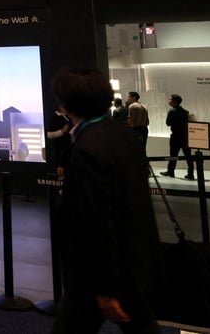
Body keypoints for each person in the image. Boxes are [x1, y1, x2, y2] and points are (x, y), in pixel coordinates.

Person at [51, 67, 160, 333]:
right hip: (133, 264)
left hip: (98, 275)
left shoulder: (88, 148)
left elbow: (95, 221)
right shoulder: (122, 135)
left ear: (65, 105)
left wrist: (105, 287)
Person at [160, 94, 194, 180]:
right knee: (188, 156)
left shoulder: (172, 111)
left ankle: (171, 171)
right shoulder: (185, 112)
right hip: (185, 137)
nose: (169, 101)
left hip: (175, 136)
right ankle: (190, 173)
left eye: (170, 99)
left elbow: (168, 123)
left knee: (173, 155)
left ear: (175, 101)